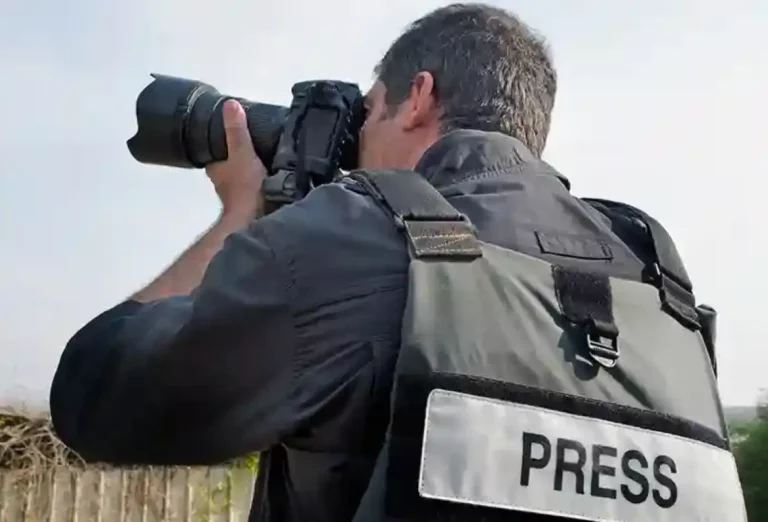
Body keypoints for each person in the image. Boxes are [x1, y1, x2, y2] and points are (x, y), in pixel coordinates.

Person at [50, 3, 745, 522]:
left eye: (370, 110)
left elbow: (100, 401)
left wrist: (241, 214)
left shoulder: (356, 239)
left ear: (417, 96)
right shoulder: (661, 288)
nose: (359, 141)